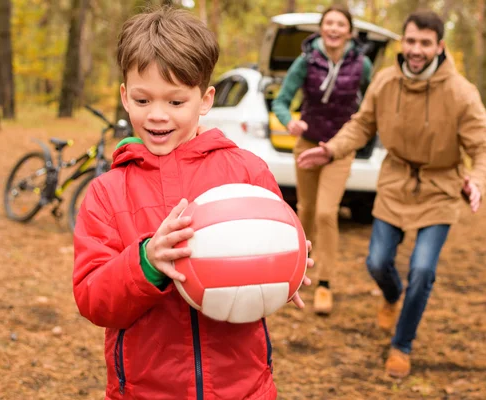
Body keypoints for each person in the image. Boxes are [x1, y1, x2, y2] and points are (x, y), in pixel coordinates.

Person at [72, 7, 313, 399]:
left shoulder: (248, 174)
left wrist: (290, 261)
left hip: (244, 388)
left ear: (205, 100)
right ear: (124, 97)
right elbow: (92, 298)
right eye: (143, 99)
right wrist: (147, 261)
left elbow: (277, 243)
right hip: (145, 391)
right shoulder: (107, 192)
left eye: (176, 102)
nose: (158, 115)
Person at [297, 10, 486, 378]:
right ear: (402, 43)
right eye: (410, 41)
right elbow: (361, 125)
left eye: (425, 43)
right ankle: (392, 296)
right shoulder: (386, 82)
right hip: (394, 183)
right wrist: (331, 150)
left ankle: (401, 345)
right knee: (376, 263)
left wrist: (478, 182)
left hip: (440, 187)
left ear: (439, 46)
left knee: (422, 270)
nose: (416, 49)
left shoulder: (461, 93)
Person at [272, 4, 373, 316]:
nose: (333, 29)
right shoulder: (306, 61)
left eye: (339, 24)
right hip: (307, 144)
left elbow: (372, 102)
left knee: (327, 213)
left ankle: (326, 283)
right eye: (328, 23)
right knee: (306, 210)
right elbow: (281, 101)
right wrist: (290, 121)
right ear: (321, 29)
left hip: (339, 149)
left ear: (349, 31)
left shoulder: (363, 64)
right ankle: (298, 273)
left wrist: (363, 119)